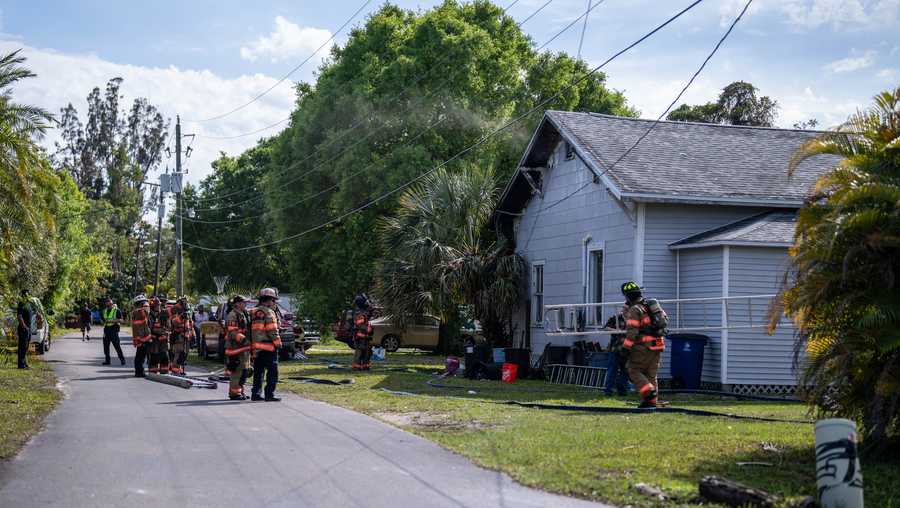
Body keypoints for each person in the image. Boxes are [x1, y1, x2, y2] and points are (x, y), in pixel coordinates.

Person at [621, 281, 667, 408]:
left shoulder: (635, 309)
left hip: (643, 346)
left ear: (627, 297)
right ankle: (651, 403)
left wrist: (625, 348)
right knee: (651, 374)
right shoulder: (651, 306)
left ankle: (649, 393)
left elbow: (632, 331)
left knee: (634, 370)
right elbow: (664, 321)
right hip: (658, 344)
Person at [250, 288, 282, 402]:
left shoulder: (252, 312)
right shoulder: (269, 312)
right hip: (268, 347)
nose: (274, 303)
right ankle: (269, 394)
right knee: (272, 372)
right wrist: (278, 343)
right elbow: (272, 330)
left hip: (256, 347)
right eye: (273, 300)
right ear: (269, 300)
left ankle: (256, 394)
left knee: (258, 372)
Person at [224, 295, 252, 400]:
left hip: (244, 348)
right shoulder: (232, 315)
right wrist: (244, 340)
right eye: (244, 302)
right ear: (237, 304)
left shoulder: (243, 314)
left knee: (244, 371)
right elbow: (232, 332)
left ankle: (240, 392)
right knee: (237, 371)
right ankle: (234, 394)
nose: (245, 304)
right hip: (235, 348)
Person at [603, 307, 630, 396]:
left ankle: (622, 391)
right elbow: (605, 328)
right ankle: (608, 391)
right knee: (612, 370)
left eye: (628, 309)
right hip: (615, 349)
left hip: (627, 350)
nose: (626, 311)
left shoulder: (633, 319)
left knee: (625, 371)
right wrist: (617, 331)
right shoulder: (616, 318)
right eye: (625, 309)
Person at [168, 297, 192, 375]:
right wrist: (181, 317)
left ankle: (180, 369)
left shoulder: (187, 312)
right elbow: (173, 322)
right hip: (178, 336)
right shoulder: (175, 310)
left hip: (186, 336)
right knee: (178, 353)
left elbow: (190, 323)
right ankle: (175, 370)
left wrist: (192, 334)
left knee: (184, 354)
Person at [351, 293, 374, 371]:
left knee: (367, 351)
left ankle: (365, 366)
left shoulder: (364, 311)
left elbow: (368, 318)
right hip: (360, 336)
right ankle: (356, 366)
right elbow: (360, 325)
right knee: (360, 351)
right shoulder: (359, 313)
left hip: (366, 336)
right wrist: (368, 329)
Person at [148, 296, 170, 374]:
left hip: (163, 339)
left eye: (159, 305)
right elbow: (148, 327)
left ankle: (164, 371)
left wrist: (164, 332)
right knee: (154, 356)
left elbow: (168, 326)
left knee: (164, 356)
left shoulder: (164, 313)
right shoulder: (149, 315)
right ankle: (153, 372)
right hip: (154, 340)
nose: (159, 307)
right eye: (157, 305)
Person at [131, 295, 152, 377]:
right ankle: (139, 372)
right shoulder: (141, 312)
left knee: (140, 356)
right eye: (145, 304)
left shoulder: (136, 313)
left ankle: (139, 371)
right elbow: (143, 327)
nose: (147, 305)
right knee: (140, 357)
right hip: (143, 338)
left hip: (140, 338)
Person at [101, 297, 126, 366]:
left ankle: (122, 360)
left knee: (117, 346)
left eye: (108, 302)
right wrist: (102, 321)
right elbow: (103, 319)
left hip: (114, 330)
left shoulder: (117, 310)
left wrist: (112, 321)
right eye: (106, 302)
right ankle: (107, 361)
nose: (107, 303)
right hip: (106, 330)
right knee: (106, 347)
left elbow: (122, 320)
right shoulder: (104, 311)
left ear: (111, 303)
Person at [16, 289, 32, 370]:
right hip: (23, 328)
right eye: (25, 294)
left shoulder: (28, 304)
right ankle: (21, 365)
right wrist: (24, 327)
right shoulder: (21, 304)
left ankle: (24, 363)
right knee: (22, 347)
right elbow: (19, 316)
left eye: (27, 294)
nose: (26, 296)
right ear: (22, 295)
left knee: (26, 347)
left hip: (29, 328)